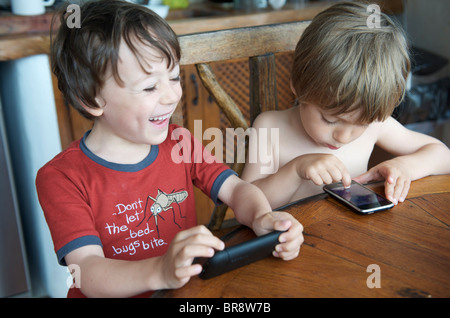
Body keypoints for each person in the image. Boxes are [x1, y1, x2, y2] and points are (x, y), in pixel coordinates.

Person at [36, 0, 303, 298]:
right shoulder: (61, 177)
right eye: (150, 87)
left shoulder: (179, 142)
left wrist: (262, 217)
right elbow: (87, 271)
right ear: (92, 99)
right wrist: (161, 270)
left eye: (174, 76)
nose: (172, 94)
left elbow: (238, 189)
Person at [241, 1, 450, 210]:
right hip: (291, 239)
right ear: (297, 86)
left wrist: (404, 166)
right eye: (330, 120)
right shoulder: (270, 128)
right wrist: (295, 171)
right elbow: (246, 203)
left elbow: (443, 156)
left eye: (362, 124)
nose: (343, 137)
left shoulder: (377, 125)